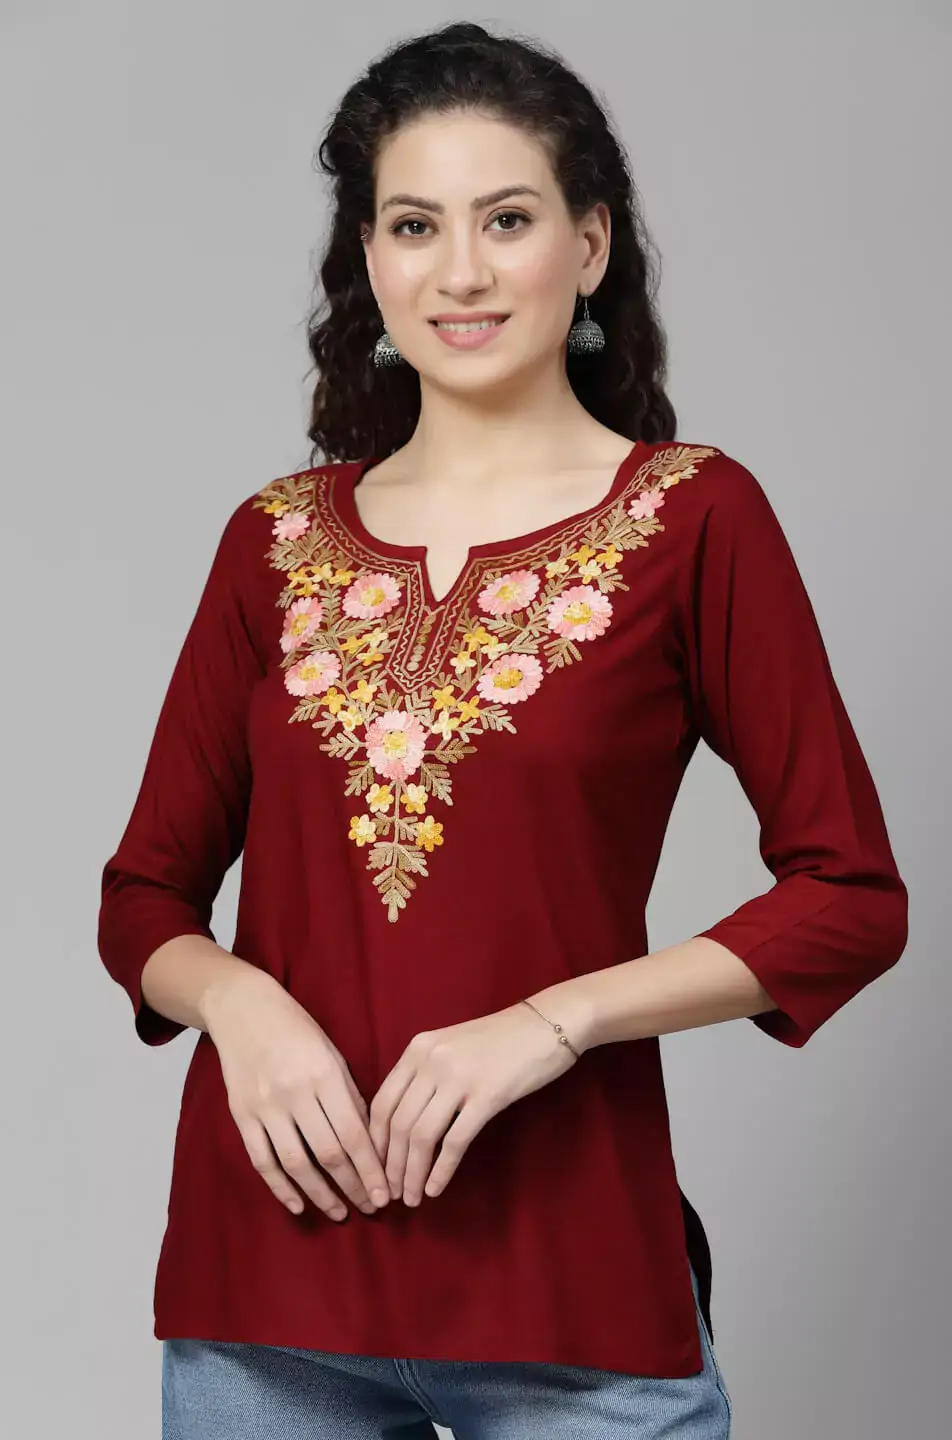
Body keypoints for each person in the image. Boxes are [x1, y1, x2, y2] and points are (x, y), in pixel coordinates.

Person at [97, 21, 908, 1439]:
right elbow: (143, 901)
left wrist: (555, 1022)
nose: (460, 271)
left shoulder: (692, 520)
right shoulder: (273, 542)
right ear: (369, 259)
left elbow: (850, 897)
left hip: (570, 1288)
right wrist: (239, 1006)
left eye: (508, 219)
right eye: (415, 225)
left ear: (589, 246)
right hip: (266, 1299)